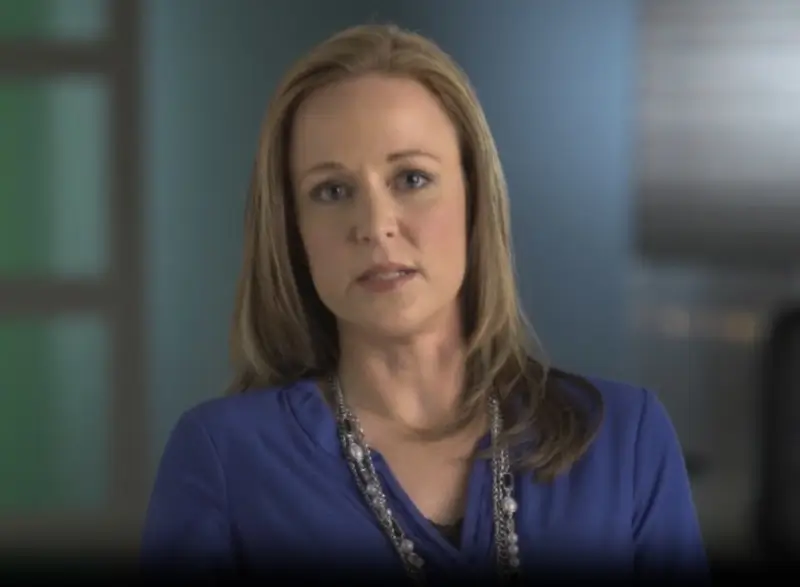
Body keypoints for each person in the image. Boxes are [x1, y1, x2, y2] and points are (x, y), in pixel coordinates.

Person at [140, 23, 707, 583]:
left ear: (474, 198)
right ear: (293, 230)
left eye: (411, 179)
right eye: (332, 191)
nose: (376, 225)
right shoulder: (224, 459)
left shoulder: (624, 440)